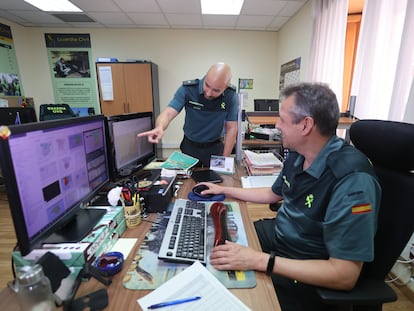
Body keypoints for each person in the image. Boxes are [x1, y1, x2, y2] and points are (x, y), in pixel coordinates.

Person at [201, 82, 382, 311]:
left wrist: (258, 260)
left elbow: (344, 276)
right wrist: (224, 190)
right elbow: (272, 193)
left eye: (283, 120)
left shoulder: (352, 180)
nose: (277, 126)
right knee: (209, 244)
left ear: (306, 125)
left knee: (227, 297)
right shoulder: (298, 155)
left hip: (306, 272)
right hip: (282, 239)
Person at [138, 62, 239, 166]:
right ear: (205, 77)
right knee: (187, 181)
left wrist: (225, 159)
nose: (208, 93)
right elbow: (168, 113)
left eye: (216, 90)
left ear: (225, 87)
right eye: (207, 85)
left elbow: (231, 128)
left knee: (216, 179)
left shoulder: (231, 96)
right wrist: (160, 127)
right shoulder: (188, 89)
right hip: (190, 146)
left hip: (215, 147)